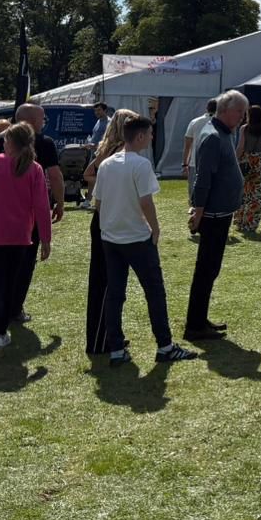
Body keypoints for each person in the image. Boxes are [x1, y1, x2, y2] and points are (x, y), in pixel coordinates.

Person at [93, 114, 197, 366]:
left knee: (115, 294)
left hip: (111, 238)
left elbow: (98, 203)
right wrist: (155, 228)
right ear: (139, 136)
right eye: (150, 134)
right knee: (154, 292)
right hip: (136, 238)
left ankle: (116, 349)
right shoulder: (140, 165)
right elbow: (145, 201)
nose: (152, 138)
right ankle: (165, 346)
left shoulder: (106, 164)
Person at [0, 123, 52, 362]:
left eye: (5, 140)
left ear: (10, 142)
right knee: (10, 284)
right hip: (19, 235)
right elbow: (41, 206)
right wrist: (45, 238)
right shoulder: (35, 169)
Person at [0, 103, 62, 326]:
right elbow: (51, 183)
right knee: (21, 267)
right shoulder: (43, 147)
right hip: (25, 225)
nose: (44, 122)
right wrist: (59, 205)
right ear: (31, 121)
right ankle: (13, 309)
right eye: (42, 118)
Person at [184, 90, 246, 341]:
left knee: (211, 268)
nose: (242, 117)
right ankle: (195, 325)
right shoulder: (212, 136)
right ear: (225, 110)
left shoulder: (222, 133)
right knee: (206, 269)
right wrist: (197, 212)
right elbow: (203, 179)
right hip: (212, 214)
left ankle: (200, 318)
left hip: (221, 212)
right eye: (239, 112)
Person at [82, 109, 136, 357]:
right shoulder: (117, 153)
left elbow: (88, 175)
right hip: (109, 219)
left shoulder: (104, 150)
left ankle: (108, 336)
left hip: (103, 217)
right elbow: (89, 176)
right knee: (107, 284)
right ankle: (101, 341)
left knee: (107, 282)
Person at [234, 105, 261, 234]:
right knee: (255, 193)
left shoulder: (245, 128)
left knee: (243, 192)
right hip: (259, 161)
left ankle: (240, 221)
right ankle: (252, 223)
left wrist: (234, 161)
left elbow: (241, 147)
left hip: (246, 160)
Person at [182, 99, 218, 178]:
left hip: (195, 163)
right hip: (215, 164)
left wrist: (185, 164)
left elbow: (187, 145)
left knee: (194, 189)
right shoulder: (221, 123)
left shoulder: (194, 122)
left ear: (206, 108)